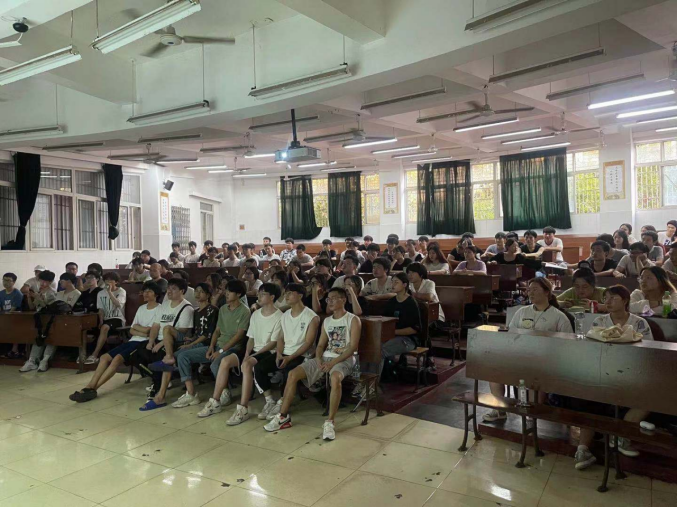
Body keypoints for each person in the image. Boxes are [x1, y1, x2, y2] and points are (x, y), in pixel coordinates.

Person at [265, 287, 360, 440]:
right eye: (328, 299)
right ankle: (283, 416)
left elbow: (353, 347)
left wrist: (332, 363)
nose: (330, 301)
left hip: (344, 359)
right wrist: (319, 359)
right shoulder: (327, 321)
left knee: (335, 377)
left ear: (343, 299)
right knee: (293, 374)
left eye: (334, 298)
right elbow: (321, 345)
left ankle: (330, 422)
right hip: (325, 358)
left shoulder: (353, 319)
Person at [574, 285, 652, 469]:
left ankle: (620, 437)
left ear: (625, 301)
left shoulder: (639, 323)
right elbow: (591, 350)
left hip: (633, 373)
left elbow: (650, 351)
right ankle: (583, 448)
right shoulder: (599, 321)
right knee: (588, 397)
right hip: (604, 372)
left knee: (651, 397)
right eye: (605, 298)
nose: (607, 302)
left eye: (613, 298)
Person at [482, 278, 573, 423]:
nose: (531, 293)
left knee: (534, 377)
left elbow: (568, 345)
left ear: (547, 292)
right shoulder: (522, 312)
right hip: (520, 357)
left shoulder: (559, 317)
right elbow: (510, 335)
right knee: (494, 371)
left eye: (535, 289)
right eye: (529, 290)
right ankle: (499, 410)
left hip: (546, 361)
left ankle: (531, 414)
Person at [70, 282, 163, 402]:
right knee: (104, 357)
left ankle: (93, 389)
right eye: (144, 291)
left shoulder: (160, 309)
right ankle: (90, 386)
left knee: (117, 359)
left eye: (149, 291)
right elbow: (132, 329)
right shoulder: (141, 308)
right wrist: (143, 331)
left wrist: (141, 330)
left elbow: (150, 331)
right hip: (133, 340)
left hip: (143, 343)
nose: (145, 294)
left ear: (156, 294)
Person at [211, 284, 284, 423]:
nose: (259, 296)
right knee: (225, 361)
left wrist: (253, 356)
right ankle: (214, 401)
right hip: (253, 350)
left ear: (272, 297)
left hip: (269, 351)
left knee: (246, 365)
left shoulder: (279, 316)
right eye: (259, 293)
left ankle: (243, 408)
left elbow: (273, 343)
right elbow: (251, 338)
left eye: (263, 294)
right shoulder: (256, 314)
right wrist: (246, 353)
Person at [255, 284, 320, 424]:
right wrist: (279, 354)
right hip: (284, 352)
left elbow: (308, 343)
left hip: (302, 355)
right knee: (259, 367)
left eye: (290, 293)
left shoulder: (311, 317)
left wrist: (290, 357)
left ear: (300, 296)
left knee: (288, 372)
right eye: (285, 293)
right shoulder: (285, 315)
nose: (286, 296)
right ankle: (269, 400)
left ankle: (282, 403)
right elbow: (281, 338)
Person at [381, 272, 422, 370]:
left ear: (404, 285)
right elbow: (385, 320)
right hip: (391, 337)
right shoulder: (391, 302)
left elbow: (414, 329)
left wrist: (393, 332)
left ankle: (375, 378)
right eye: (392, 282)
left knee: (381, 350)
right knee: (371, 348)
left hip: (408, 339)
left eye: (396, 282)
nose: (393, 284)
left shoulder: (411, 303)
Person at [20, 270, 58, 372]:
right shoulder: (40, 291)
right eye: (41, 280)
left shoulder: (53, 292)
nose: (42, 283)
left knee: (51, 339)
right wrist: (29, 297)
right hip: (39, 319)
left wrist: (38, 298)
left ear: (50, 282)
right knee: (38, 339)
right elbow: (32, 307)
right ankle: (32, 361)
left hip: (50, 320)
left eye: (45, 281)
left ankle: (44, 361)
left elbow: (48, 308)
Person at [84, 272, 127, 364]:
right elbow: (101, 309)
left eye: (111, 280)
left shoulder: (121, 291)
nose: (108, 282)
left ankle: (94, 355)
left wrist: (110, 292)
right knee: (94, 327)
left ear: (116, 282)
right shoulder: (100, 293)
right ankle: (83, 354)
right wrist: (101, 320)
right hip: (106, 319)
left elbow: (118, 304)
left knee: (105, 327)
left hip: (117, 318)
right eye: (106, 280)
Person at [1, 272, 24, 359]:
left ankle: (15, 350)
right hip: (4, 317)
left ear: (14, 282)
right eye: (4, 280)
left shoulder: (17, 293)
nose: (5, 282)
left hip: (15, 318)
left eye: (8, 280)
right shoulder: (1, 293)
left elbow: (13, 309)